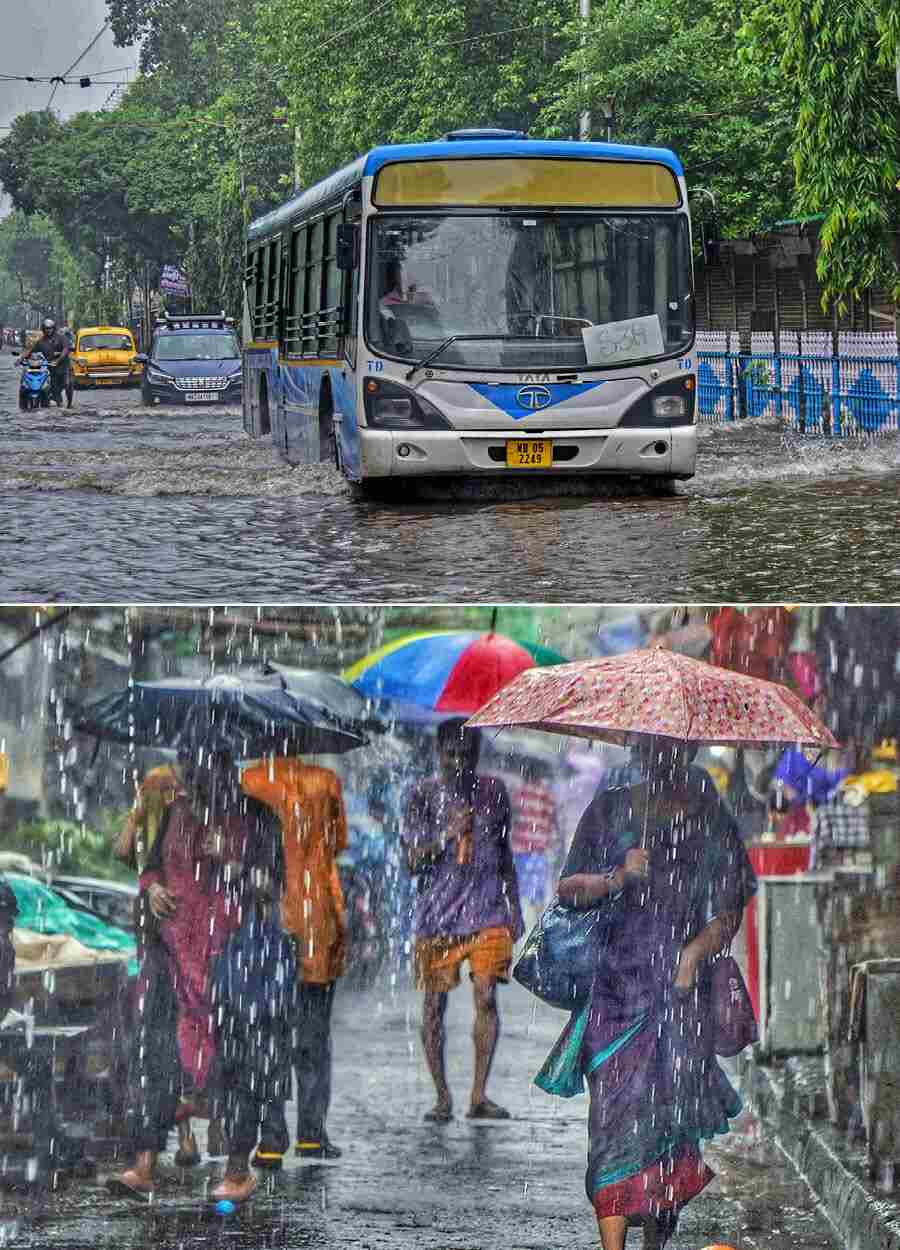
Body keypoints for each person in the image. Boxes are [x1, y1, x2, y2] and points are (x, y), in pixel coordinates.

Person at [545, 742, 756, 1250]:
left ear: (688, 750)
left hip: (682, 1002)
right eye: (654, 748)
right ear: (640, 749)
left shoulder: (709, 817)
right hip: (614, 996)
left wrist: (692, 955)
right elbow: (567, 887)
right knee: (612, 1125)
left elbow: (729, 910)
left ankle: (654, 1244)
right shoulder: (611, 808)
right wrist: (617, 876)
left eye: (674, 748)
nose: (664, 757)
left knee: (671, 1132)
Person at [110, 747, 284, 1204]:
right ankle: (143, 1165)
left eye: (204, 773)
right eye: (191, 774)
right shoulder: (173, 813)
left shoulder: (259, 817)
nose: (195, 784)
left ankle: (236, 1170)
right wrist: (152, 891)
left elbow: (271, 885)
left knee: (237, 1063)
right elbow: (147, 869)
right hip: (170, 951)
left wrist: (233, 863)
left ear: (228, 768)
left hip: (231, 959)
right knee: (156, 1054)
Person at [403, 719, 523, 1123]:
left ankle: (478, 1095)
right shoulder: (421, 796)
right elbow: (411, 862)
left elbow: (504, 852)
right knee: (434, 1005)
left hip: (488, 909)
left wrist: (516, 908)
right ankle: (442, 1097)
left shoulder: (493, 792)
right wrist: (446, 835)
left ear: (476, 757)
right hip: (438, 917)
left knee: (487, 994)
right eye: (450, 755)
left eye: (465, 756)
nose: (457, 763)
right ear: (437, 755)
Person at [241, 755, 349, 1165]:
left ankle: (270, 1138)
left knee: (270, 1035)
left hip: (271, 920)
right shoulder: (325, 780)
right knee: (314, 1036)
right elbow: (336, 844)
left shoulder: (249, 781)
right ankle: (311, 1133)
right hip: (317, 919)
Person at [509, 759, 560, 937]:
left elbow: (513, 819)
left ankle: (519, 927)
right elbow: (553, 822)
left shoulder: (519, 793)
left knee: (519, 890)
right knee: (536, 894)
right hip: (539, 850)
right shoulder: (547, 795)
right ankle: (537, 929)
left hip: (520, 849)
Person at [17, 318, 70, 406]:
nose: (48, 330)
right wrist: (21, 359)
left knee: (66, 383)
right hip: (49, 366)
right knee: (52, 386)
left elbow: (66, 349)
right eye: (46, 328)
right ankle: (51, 398)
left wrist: (58, 359)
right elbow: (31, 351)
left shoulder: (61, 338)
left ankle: (68, 404)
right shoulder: (41, 341)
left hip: (62, 365)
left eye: (50, 328)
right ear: (43, 329)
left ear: (54, 328)